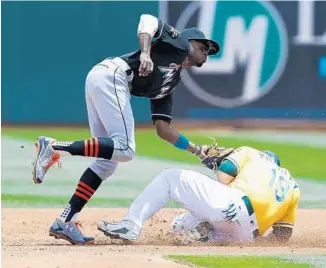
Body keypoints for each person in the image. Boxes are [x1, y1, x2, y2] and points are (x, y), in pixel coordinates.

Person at [32, 14, 220, 245]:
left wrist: (197, 150)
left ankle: (66, 220)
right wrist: (145, 52)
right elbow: (148, 20)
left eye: (208, 52)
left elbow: (163, 129)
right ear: (189, 42)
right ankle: (53, 147)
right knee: (125, 149)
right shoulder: (179, 44)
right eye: (204, 47)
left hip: (103, 79)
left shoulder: (171, 81)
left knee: (107, 162)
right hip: (112, 75)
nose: (206, 54)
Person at [98, 146, 300, 244]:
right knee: (182, 225)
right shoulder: (293, 188)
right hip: (246, 236)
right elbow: (283, 236)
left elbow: (224, 176)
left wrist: (218, 164)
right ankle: (207, 233)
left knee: (169, 177)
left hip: (232, 204)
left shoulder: (252, 153)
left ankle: (130, 225)